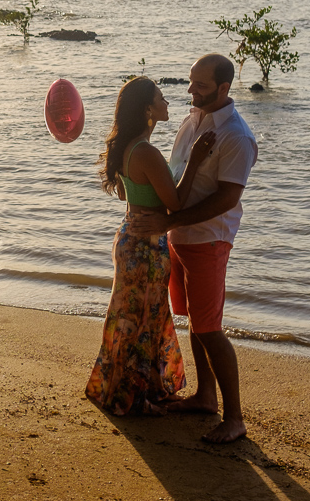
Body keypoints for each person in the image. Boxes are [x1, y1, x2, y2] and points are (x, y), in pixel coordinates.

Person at [86, 76, 215, 416]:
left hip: (131, 236)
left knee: (134, 316)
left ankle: (142, 388)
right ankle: (133, 399)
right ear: (147, 109)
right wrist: (195, 160)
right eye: (161, 97)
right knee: (143, 321)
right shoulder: (146, 152)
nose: (167, 102)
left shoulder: (128, 148)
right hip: (145, 246)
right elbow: (175, 204)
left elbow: (127, 195)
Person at [164, 53, 258, 444]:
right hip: (180, 237)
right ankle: (205, 396)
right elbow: (176, 174)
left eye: (200, 85)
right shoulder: (192, 119)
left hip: (208, 240)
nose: (191, 90)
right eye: (191, 81)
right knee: (194, 322)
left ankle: (235, 418)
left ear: (224, 88)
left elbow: (227, 198)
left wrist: (171, 221)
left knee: (210, 329)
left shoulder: (236, 135)